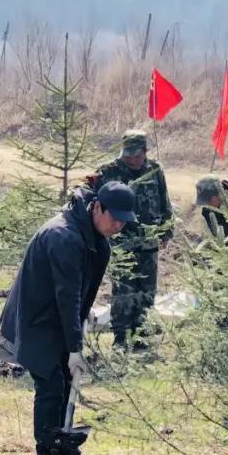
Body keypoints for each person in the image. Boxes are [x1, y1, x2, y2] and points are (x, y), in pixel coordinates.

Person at [0, 181, 136, 455]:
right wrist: (74, 347)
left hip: (60, 319)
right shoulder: (64, 236)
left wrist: (77, 330)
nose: (118, 225)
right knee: (52, 385)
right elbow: (67, 295)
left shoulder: (95, 237)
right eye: (114, 218)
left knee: (64, 384)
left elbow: (79, 292)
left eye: (124, 221)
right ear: (97, 207)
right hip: (37, 319)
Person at [90, 129, 173, 349]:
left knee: (147, 291)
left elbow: (165, 202)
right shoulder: (108, 171)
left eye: (137, 156)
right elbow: (94, 205)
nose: (133, 160)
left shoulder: (155, 170)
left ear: (145, 151)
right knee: (123, 291)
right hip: (120, 244)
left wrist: (166, 231)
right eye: (128, 156)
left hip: (149, 242)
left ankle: (141, 337)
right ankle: (120, 338)